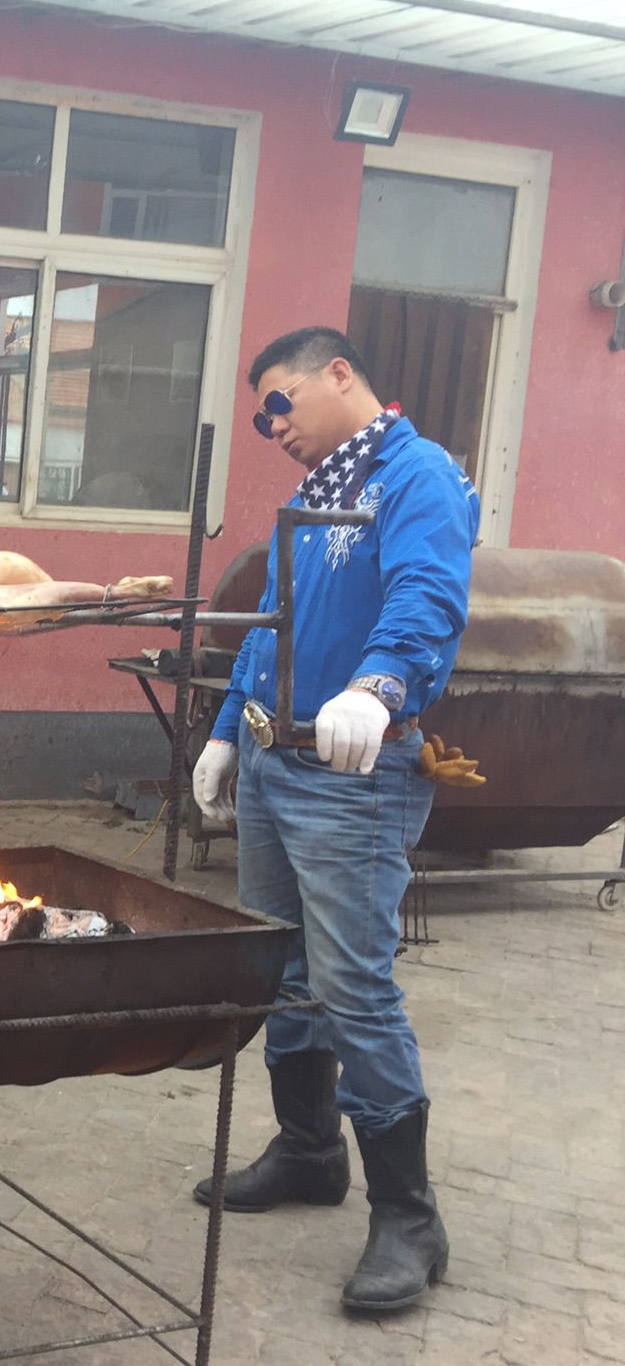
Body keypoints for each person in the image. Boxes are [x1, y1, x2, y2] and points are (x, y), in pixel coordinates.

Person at [190, 326, 477, 1314]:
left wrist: (382, 686)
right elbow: (273, 620)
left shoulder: (417, 477)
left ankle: (410, 1218)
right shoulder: (314, 494)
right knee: (284, 964)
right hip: (278, 763)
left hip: (356, 772)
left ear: (341, 375)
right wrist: (229, 730)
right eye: (263, 417)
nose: (274, 428)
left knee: (355, 986)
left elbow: (429, 596)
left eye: (282, 404)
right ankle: (310, 1152)